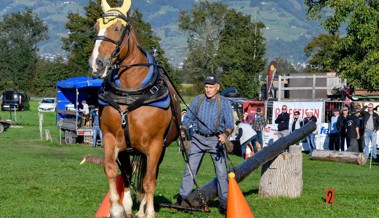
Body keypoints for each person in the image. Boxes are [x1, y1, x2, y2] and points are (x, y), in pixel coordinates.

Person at [177, 74, 234, 213]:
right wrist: (183, 129)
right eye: (206, 87)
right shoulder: (198, 100)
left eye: (211, 87)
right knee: (190, 170)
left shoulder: (225, 103)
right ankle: (182, 200)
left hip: (216, 141)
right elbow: (188, 119)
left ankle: (225, 204)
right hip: (198, 139)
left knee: (221, 173)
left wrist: (225, 135)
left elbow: (230, 126)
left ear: (218, 87)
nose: (208, 90)